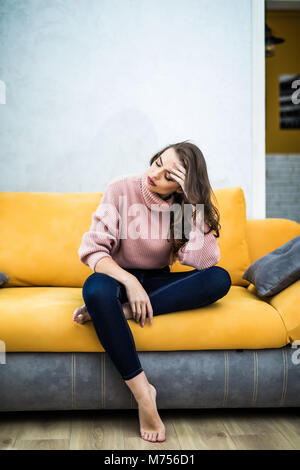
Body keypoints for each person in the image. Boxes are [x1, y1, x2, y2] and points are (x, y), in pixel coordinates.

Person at [75, 140, 231, 443]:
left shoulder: (181, 206)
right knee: (95, 292)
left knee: (220, 279)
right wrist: (130, 283)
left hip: (157, 282)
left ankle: (119, 312)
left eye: (169, 176)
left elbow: (204, 262)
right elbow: (93, 250)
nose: (155, 174)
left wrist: (193, 203)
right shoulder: (121, 188)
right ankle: (145, 396)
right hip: (117, 278)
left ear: (180, 187)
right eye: (158, 162)